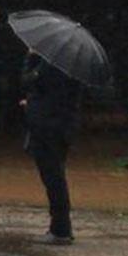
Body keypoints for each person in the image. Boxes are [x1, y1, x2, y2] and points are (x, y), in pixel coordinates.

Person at [21, 50, 83, 244]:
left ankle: (61, 229)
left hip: (49, 128)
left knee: (53, 177)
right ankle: (60, 226)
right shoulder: (73, 66)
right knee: (56, 175)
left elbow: (28, 81)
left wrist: (31, 58)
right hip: (61, 126)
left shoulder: (51, 65)